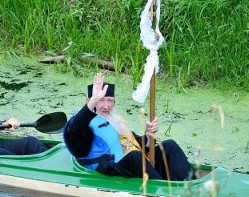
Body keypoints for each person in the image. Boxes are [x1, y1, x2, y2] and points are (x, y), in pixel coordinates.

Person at [63, 72, 193, 180]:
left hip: (132, 165)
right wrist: (93, 101)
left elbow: (135, 144)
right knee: (135, 156)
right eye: (101, 100)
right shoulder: (84, 125)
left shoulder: (115, 120)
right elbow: (75, 130)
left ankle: (190, 185)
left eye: (110, 101)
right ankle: (162, 190)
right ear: (89, 101)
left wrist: (148, 134)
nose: (106, 106)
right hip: (108, 169)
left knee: (169, 145)